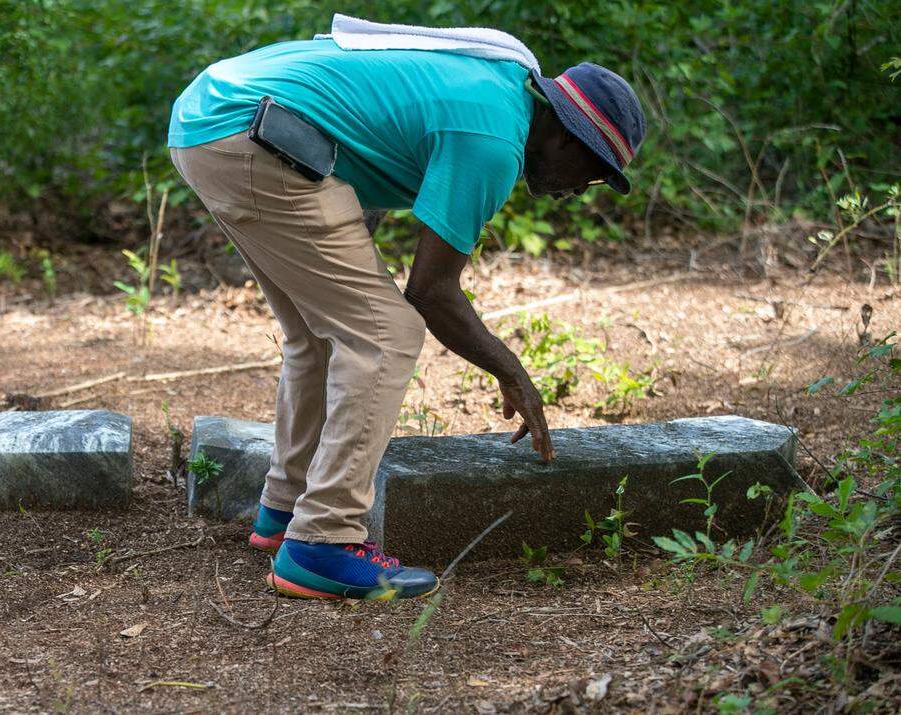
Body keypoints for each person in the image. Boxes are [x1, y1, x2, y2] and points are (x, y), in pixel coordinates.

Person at [167, 32, 645, 601]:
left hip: (214, 117)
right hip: (251, 133)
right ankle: (323, 542)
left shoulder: (498, 90)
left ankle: (286, 509)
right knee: (385, 334)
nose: (581, 192)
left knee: (316, 334)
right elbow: (432, 291)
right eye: (593, 174)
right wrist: (512, 372)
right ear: (570, 139)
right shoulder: (493, 141)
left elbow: (365, 124)